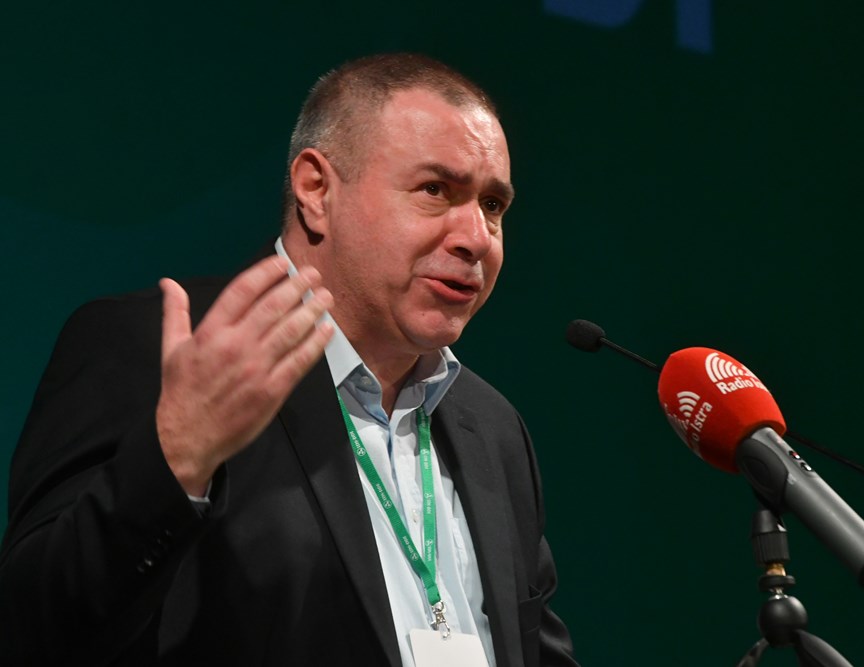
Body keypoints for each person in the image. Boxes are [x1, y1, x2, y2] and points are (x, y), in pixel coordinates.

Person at [0, 53, 578, 667]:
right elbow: (31, 632)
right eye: (435, 191)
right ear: (316, 190)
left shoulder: (493, 427)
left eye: (493, 206)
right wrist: (177, 457)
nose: (477, 238)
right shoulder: (162, 351)